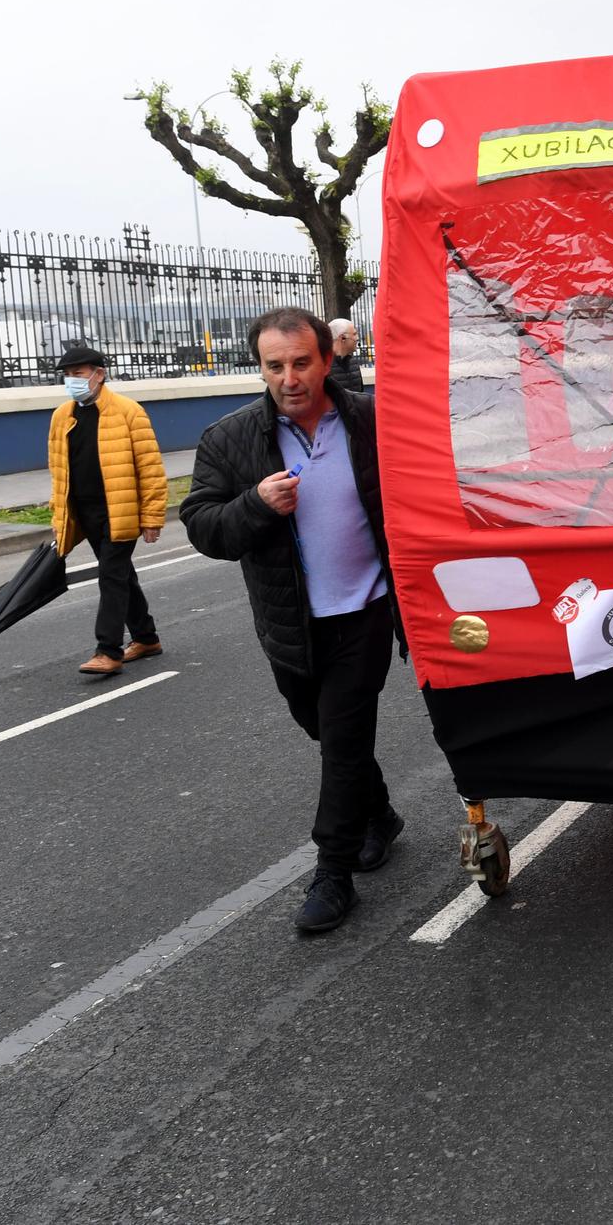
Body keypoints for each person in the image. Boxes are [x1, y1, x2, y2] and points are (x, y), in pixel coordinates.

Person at [181, 307, 405, 933]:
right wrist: (254, 504)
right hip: (291, 627)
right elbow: (202, 525)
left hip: (363, 612)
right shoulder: (230, 440)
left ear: (327, 361)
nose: (290, 377)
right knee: (331, 735)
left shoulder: (369, 421)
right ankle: (380, 815)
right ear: (261, 368)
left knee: (342, 737)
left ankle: (332, 873)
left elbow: (417, 491)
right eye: (274, 365)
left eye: (301, 363)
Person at [46, 346, 166, 676]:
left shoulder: (128, 412)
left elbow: (150, 466)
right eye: (68, 375)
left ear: (99, 375)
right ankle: (146, 637)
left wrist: (152, 516)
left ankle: (108, 650)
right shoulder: (62, 416)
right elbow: (58, 472)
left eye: (79, 374)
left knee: (111, 576)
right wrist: (60, 519)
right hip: (84, 513)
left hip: (120, 510)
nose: (72, 381)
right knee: (121, 575)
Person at [328, 318, 366, 394]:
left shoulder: (354, 363)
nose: (357, 338)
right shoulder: (323, 366)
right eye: (354, 334)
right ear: (343, 338)